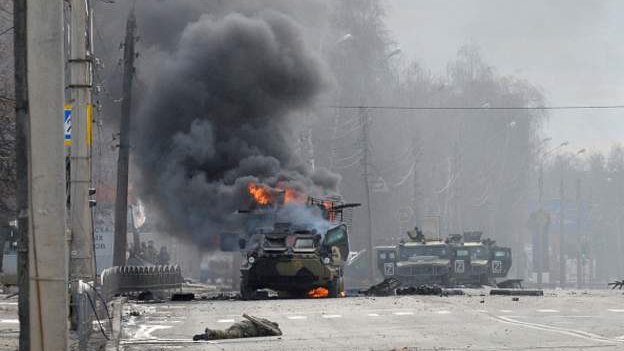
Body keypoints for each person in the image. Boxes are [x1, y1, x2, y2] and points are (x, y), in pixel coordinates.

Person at [193, 314, 282, 341]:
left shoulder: (262, 320)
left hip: (240, 326)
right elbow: (276, 332)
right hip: (243, 330)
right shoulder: (265, 326)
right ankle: (211, 332)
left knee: (225, 334)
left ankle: (207, 335)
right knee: (227, 334)